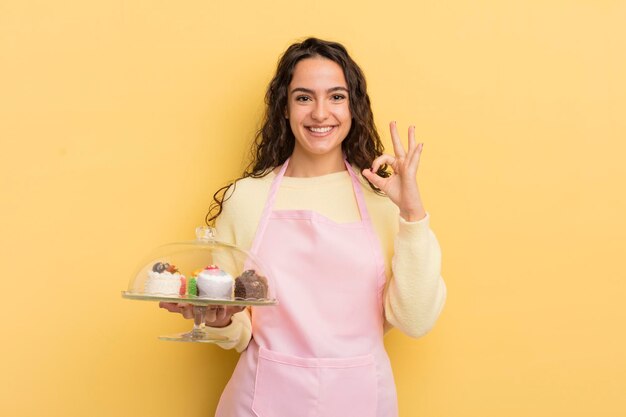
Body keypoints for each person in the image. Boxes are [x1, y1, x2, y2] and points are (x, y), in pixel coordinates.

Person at [160, 37, 446, 417]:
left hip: (360, 402)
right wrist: (222, 319)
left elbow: (415, 320)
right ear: (284, 107)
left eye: (337, 97)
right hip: (261, 402)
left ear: (354, 107)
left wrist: (412, 212)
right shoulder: (246, 199)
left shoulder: (385, 202)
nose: (320, 113)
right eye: (304, 97)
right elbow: (237, 321)